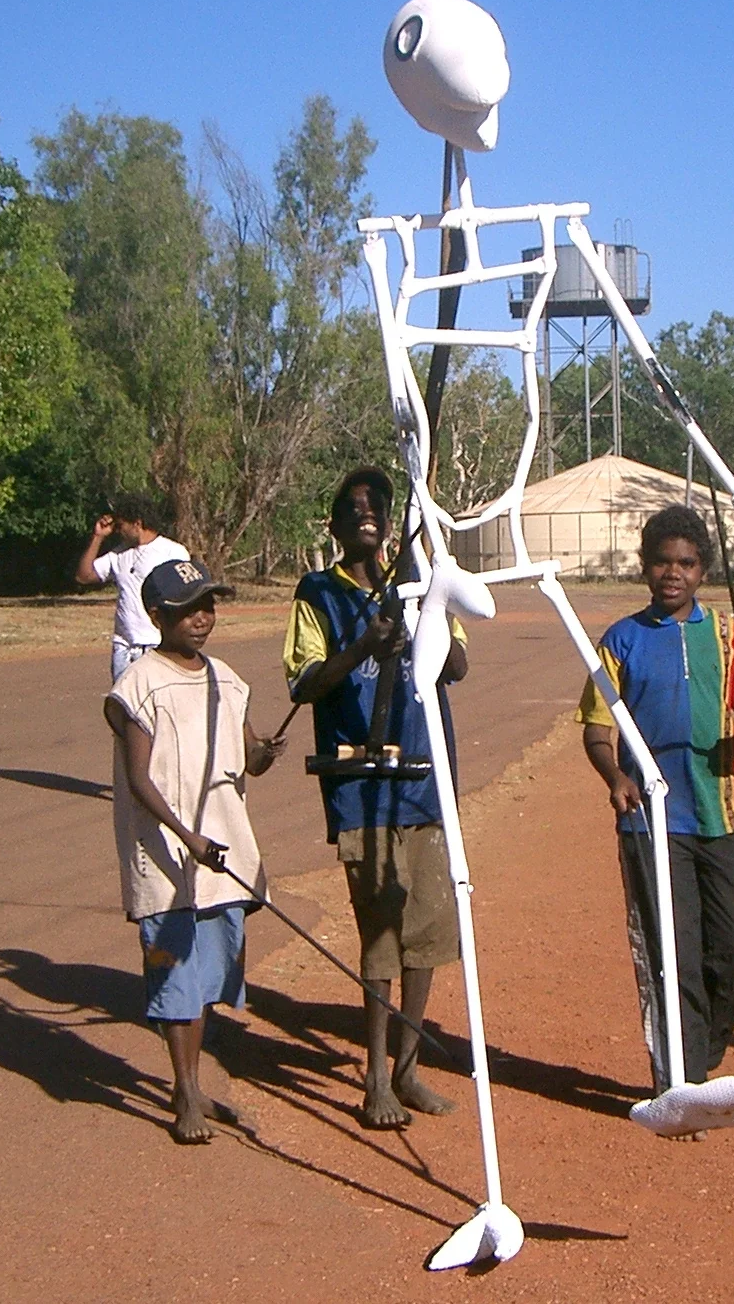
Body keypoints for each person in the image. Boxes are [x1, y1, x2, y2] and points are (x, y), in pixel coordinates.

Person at [285, 467, 466, 1130]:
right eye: (353, 506)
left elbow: (457, 666)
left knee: (426, 932)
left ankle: (407, 1068)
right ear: (334, 525)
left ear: (391, 524)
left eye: (378, 507)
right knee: (380, 932)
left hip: (424, 781)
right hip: (361, 788)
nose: (367, 513)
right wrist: (363, 644)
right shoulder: (318, 594)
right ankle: (374, 1077)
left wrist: (424, 612)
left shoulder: (419, 585)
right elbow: (304, 683)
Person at [578, 504, 734, 1103]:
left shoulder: (729, 637)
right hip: (652, 819)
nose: (673, 574)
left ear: (703, 570)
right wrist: (615, 776)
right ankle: (680, 1085)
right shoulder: (620, 640)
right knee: (673, 950)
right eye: (662, 562)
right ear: (645, 567)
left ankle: (703, 1048)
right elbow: (596, 729)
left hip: (721, 811)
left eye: (686, 563)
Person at [105, 559, 286, 1144]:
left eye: (209, 605)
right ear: (157, 616)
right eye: (188, 610)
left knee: (207, 976)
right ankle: (185, 1090)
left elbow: (248, 757)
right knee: (175, 977)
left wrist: (265, 753)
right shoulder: (139, 684)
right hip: (167, 857)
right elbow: (139, 778)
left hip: (221, 855)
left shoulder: (228, 680)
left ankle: (192, 1085)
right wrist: (188, 838)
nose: (203, 618)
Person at [77, 496, 192, 681]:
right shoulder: (118, 554)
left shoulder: (172, 552)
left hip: (157, 644)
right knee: (124, 699)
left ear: (137, 524)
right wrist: (98, 537)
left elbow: (184, 595)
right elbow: (84, 576)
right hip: (124, 646)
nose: (118, 531)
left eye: (121, 525)